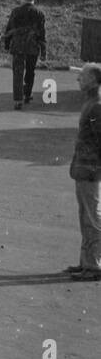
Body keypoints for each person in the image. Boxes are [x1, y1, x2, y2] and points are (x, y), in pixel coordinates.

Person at [67, 64, 101, 281]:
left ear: (94, 81)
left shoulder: (96, 106)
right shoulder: (90, 102)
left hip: (90, 169)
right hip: (83, 167)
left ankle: (94, 265)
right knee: (85, 216)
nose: (78, 79)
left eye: (83, 76)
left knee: (92, 217)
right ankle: (86, 262)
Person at [2, 0, 46, 109]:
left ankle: (18, 100)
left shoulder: (16, 11)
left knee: (18, 73)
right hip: (33, 46)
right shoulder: (39, 13)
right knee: (30, 72)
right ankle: (27, 94)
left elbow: (9, 29)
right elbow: (42, 33)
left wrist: (7, 44)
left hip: (18, 46)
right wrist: (43, 51)